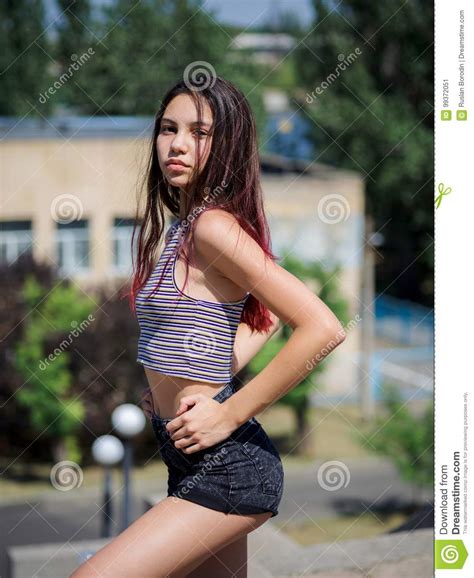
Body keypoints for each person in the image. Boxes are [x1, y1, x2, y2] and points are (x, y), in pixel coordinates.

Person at [71, 74, 346, 578]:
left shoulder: (212, 226)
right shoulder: (183, 226)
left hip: (229, 466)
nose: (176, 144)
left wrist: (227, 412)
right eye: (167, 128)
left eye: (199, 132)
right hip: (187, 456)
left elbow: (321, 327)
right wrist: (176, 382)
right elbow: (260, 325)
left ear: (228, 146)